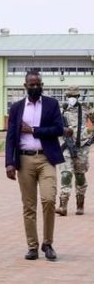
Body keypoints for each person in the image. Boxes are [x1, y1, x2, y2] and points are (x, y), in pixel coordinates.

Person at [5, 70, 64, 261]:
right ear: (25, 86)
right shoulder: (16, 108)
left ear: (42, 85)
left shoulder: (51, 104)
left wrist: (34, 130)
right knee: (29, 206)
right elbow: (10, 137)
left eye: (38, 84)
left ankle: (48, 243)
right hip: (24, 161)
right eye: (31, 84)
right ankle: (32, 246)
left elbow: (58, 129)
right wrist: (9, 163)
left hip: (46, 158)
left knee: (48, 200)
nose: (35, 87)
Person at [56, 86, 93, 216]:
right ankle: (63, 205)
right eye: (69, 96)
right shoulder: (61, 110)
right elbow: (54, 127)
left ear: (78, 96)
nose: (72, 98)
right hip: (66, 147)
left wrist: (90, 140)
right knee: (66, 174)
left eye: (74, 96)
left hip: (82, 148)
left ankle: (80, 204)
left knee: (79, 175)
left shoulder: (85, 108)